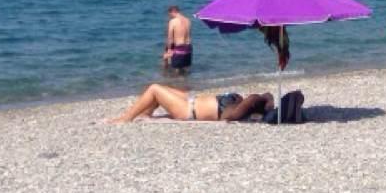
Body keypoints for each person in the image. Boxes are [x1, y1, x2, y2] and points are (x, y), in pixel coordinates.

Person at [106, 84, 273, 124]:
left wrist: (264, 101)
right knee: (161, 88)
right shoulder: (239, 104)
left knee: (154, 88)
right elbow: (266, 96)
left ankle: (125, 119)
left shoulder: (235, 112)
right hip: (191, 100)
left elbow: (255, 99)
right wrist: (266, 100)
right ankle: (145, 114)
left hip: (188, 110)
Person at [161, 5, 192, 74]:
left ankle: (165, 77)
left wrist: (169, 49)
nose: (170, 17)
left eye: (169, 15)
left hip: (179, 48)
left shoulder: (173, 21)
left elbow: (170, 37)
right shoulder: (188, 20)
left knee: (165, 57)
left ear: (172, 12)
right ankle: (184, 82)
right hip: (188, 48)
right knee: (184, 68)